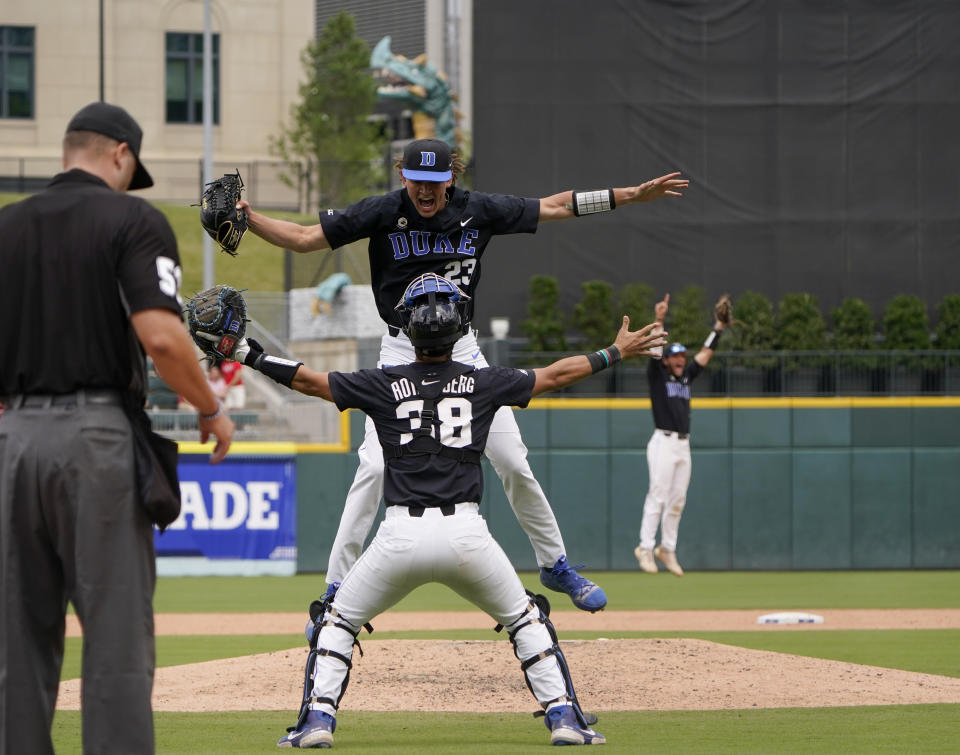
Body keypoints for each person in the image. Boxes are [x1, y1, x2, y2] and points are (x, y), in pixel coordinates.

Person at [237, 137, 688, 611]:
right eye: (418, 181)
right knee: (373, 467)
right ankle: (334, 590)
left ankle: (555, 565)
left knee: (512, 459)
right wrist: (249, 219)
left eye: (436, 181)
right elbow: (306, 238)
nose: (426, 191)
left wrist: (631, 195)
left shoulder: (479, 209)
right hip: (399, 348)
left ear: (451, 177)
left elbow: (557, 206)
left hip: (464, 347)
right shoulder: (382, 211)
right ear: (402, 176)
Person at [218, 273, 665, 748]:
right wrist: (615, 352)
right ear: (461, 327)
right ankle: (566, 721)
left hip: (399, 537)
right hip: (467, 535)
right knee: (526, 622)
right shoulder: (485, 383)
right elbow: (556, 374)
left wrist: (245, 351)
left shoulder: (383, 383)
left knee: (337, 624)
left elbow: (308, 380)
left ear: (406, 330)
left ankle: (316, 725)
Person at [0, 101, 235, 755]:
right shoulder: (133, 218)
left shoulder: (7, 227)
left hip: (13, 440)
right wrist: (211, 408)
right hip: (94, 440)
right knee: (114, 642)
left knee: (15, 644)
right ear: (120, 155)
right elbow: (160, 335)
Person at [634, 293, 726, 576]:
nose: (680, 359)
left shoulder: (686, 377)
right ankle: (645, 548)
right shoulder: (658, 375)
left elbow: (705, 354)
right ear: (665, 360)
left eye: (681, 355)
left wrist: (718, 329)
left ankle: (667, 549)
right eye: (674, 355)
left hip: (683, 445)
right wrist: (659, 319)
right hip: (663, 440)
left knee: (677, 500)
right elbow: (655, 350)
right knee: (659, 494)